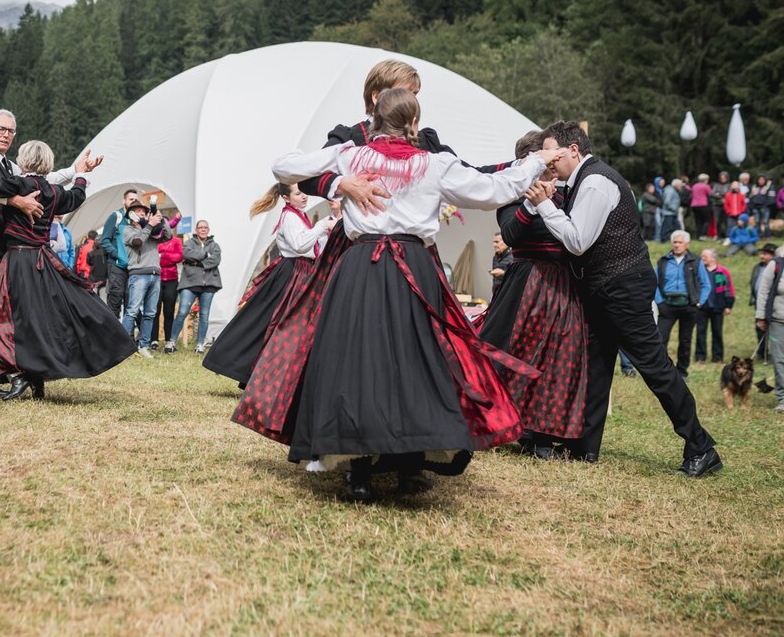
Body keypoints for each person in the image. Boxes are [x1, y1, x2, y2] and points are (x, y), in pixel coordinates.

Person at [262, 89, 559, 502]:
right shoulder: (434, 164)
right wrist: (537, 162)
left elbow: (283, 166)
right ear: (415, 124)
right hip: (412, 267)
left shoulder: (350, 154)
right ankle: (407, 468)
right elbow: (492, 190)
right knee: (416, 362)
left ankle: (359, 472)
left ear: (373, 118)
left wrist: (338, 179)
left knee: (357, 362)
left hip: (361, 266)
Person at [530, 121, 720, 477]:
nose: (548, 161)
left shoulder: (597, 182)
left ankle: (701, 446)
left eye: (552, 152)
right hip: (605, 288)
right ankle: (583, 447)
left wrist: (544, 205)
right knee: (596, 366)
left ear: (573, 149)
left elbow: (576, 240)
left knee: (655, 368)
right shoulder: (581, 181)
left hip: (623, 287)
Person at [0, 140, 131, 399]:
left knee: (7, 318)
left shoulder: (19, 184)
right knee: (41, 318)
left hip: (18, 260)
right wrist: (80, 176)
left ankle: (22, 374)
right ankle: (36, 378)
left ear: (23, 161)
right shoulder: (53, 191)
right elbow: (75, 197)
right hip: (43, 260)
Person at [476, 130, 587, 458]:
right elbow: (509, 234)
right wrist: (534, 201)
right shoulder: (512, 195)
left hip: (564, 284)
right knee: (518, 354)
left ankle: (542, 434)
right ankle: (506, 425)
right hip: (527, 282)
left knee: (558, 357)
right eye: (548, 159)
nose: (555, 166)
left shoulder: (570, 193)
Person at [0, 108, 80, 399]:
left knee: (3, 310)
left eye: (10, 131)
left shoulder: (9, 166)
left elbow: (40, 178)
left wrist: (77, 170)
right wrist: (16, 201)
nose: (5, 135)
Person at [203, 182, 333, 385]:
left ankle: (265, 374)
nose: (304, 197)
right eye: (298, 194)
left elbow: (311, 247)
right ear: (286, 198)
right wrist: (321, 226)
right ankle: (246, 368)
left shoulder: (299, 215)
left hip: (301, 271)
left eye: (304, 193)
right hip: (292, 273)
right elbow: (299, 245)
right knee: (271, 321)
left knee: (276, 322)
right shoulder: (290, 216)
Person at [120, 198, 173, 359]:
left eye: (144, 211)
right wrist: (149, 225)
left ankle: (144, 345)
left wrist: (160, 218)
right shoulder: (128, 230)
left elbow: (168, 236)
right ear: (131, 215)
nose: (142, 213)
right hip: (138, 275)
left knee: (150, 313)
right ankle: (123, 347)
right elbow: (137, 242)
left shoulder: (151, 231)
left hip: (155, 275)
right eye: (138, 211)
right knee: (132, 311)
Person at [653, 230, 709, 379]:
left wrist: (698, 303)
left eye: (680, 242)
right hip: (667, 306)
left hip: (688, 307)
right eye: (675, 242)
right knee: (660, 338)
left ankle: (682, 371)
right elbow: (654, 283)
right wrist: (660, 302)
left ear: (687, 244)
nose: (677, 245)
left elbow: (706, 284)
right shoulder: (663, 261)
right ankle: (661, 370)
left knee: (685, 340)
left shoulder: (696, 261)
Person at [168, 220, 222, 354]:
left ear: (208, 230)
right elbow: (186, 254)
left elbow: (216, 260)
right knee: (182, 312)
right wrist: (204, 255)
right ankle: (172, 342)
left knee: (204, 315)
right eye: (200, 227)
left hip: (208, 284)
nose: (203, 229)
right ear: (196, 230)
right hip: (190, 283)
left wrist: (196, 262)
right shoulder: (189, 243)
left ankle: (200, 344)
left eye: (205, 227)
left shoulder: (215, 245)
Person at [754, 245, 784, 413]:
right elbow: (763, 292)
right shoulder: (776, 265)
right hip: (778, 320)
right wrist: (761, 316)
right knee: (779, 360)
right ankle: (783, 399)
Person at [100, 189, 138, 317]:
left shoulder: (137, 220)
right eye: (130, 199)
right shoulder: (116, 217)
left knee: (131, 303)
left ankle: (129, 335)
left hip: (133, 268)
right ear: (124, 201)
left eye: (135, 199)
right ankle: (111, 335)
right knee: (115, 301)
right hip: (116, 266)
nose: (133, 201)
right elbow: (104, 241)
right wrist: (119, 255)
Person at [695, 248, 734, 364]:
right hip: (702, 307)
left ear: (713, 258)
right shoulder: (699, 271)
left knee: (717, 332)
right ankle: (700, 357)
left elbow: (729, 289)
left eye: (704, 257)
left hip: (718, 307)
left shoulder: (723, 271)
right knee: (700, 332)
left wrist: (728, 305)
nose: (702, 259)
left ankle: (718, 357)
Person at [154, 217, 184, 350]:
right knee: (154, 311)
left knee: (169, 311)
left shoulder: (176, 241)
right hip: (156, 279)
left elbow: (179, 257)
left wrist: (163, 255)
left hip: (171, 280)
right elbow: (155, 260)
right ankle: (153, 340)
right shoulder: (155, 241)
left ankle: (168, 341)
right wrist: (167, 256)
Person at [750, 243, 777, 361]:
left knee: (775, 330)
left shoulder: (778, 268)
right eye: (762, 253)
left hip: (773, 304)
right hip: (759, 302)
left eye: (765, 254)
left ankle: (776, 354)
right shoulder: (757, 267)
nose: (762, 256)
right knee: (760, 328)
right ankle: (762, 353)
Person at [690, 174, 712, 239]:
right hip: (703, 204)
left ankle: (698, 235)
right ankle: (703, 234)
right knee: (707, 220)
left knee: (698, 221)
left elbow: (691, 195)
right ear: (705, 180)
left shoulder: (694, 186)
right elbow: (710, 194)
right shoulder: (706, 186)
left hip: (694, 205)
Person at [710, 171, 731, 239]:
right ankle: (718, 235)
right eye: (721, 178)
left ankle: (727, 235)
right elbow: (713, 193)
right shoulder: (716, 185)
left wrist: (720, 194)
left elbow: (728, 194)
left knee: (726, 221)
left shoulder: (729, 185)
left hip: (726, 205)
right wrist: (721, 195)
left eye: (724, 178)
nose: (723, 179)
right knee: (717, 221)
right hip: (717, 205)